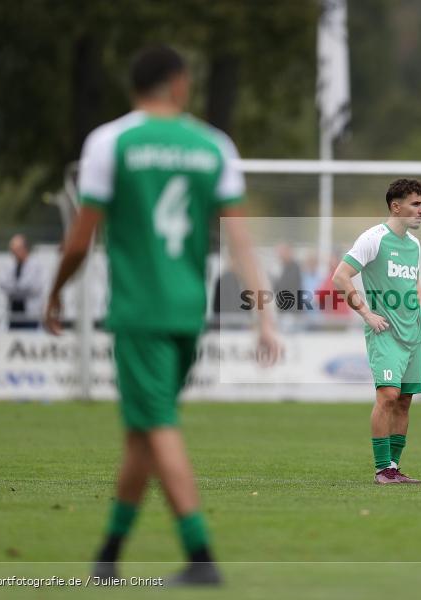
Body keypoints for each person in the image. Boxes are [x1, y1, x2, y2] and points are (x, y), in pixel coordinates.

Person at [43, 45, 278, 586]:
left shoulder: (111, 142)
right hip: (188, 313)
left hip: (139, 311)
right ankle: (108, 555)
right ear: (177, 84)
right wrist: (264, 313)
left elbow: (82, 235)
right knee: (144, 432)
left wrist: (55, 290)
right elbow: (239, 237)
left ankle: (200, 558)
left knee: (157, 427)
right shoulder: (213, 145)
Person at [331, 178, 421, 484]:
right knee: (388, 395)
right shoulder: (373, 238)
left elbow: (414, 281)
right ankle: (381, 469)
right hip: (384, 330)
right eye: (415, 204)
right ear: (396, 207)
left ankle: (394, 468)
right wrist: (365, 313)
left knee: (405, 400)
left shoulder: (414, 245)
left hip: (413, 332)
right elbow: (340, 277)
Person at [0, 234, 43, 329]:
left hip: (30, 315)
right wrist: (18, 288)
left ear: (24, 248)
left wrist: (14, 288)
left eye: (16, 249)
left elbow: (31, 287)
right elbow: (2, 283)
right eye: (12, 250)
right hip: (13, 314)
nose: (14, 253)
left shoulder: (35, 265)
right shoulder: (9, 265)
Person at [273, 243, 303, 313]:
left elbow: (287, 285)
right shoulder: (281, 267)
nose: (280, 255)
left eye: (282, 252)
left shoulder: (295, 268)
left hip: (292, 308)